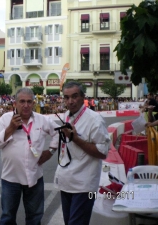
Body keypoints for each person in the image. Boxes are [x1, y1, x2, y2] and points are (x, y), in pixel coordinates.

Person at [0, 87, 59, 225]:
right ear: (15, 103)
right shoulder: (5, 119)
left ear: (33, 103)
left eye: (29, 101)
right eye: (22, 101)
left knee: (34, 218)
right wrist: (10, 128)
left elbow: (58, 132)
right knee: (7, 218)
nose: (26, 105)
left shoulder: (42, 120)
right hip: (11, 179)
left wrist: (51, 151)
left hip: (34, 177)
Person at [54, 81, 110, 225]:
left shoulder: (95, 119)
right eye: (66, 97)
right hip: (66, 182)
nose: (70, 101)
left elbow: (102, 153)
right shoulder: (66, 115)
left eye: (74, 96)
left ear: (82, 97)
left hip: (84, 185)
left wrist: (75, 138)